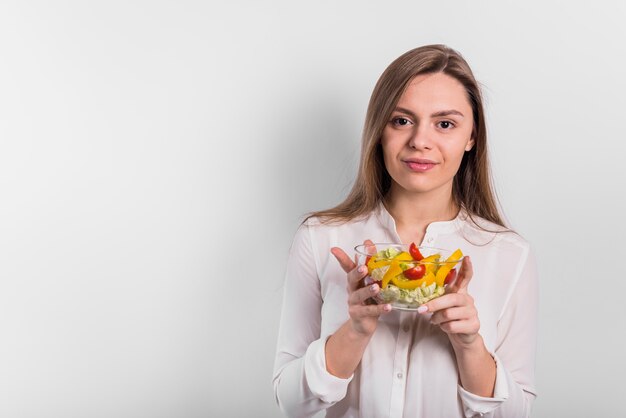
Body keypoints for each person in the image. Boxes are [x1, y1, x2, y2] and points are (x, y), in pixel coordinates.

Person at [273, 44, 538, 418]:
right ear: (379, 130)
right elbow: (292, 404)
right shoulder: (320, 239)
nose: (420, 141)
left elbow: (515, 413)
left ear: (471, 137)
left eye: (445, 124)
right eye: (401, 120)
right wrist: (356, 329)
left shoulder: (508, 254)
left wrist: (469, 344)